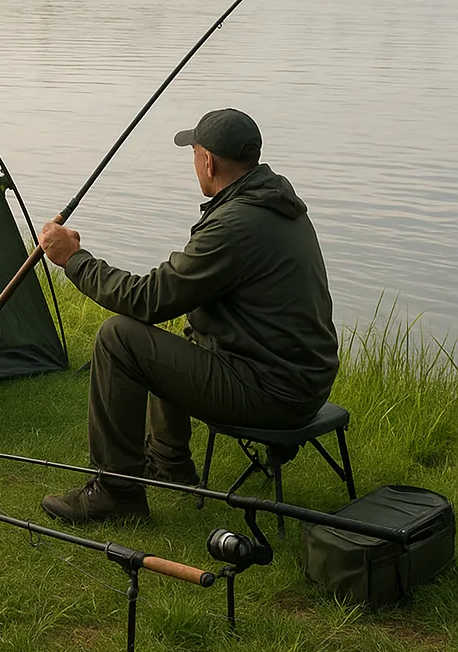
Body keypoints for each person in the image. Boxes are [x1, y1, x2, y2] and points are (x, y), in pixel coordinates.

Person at [37, 108, 338, 524]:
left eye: (194, 152)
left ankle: (117, 494)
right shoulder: (275, 203)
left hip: (273, 392)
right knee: (179, 333)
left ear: (208, 161)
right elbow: (175, 297)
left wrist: (74, 259)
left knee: (118, 337)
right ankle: (169, 460)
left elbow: (146, 299)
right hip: (303, 380)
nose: (194, 161)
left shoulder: (235, 225)